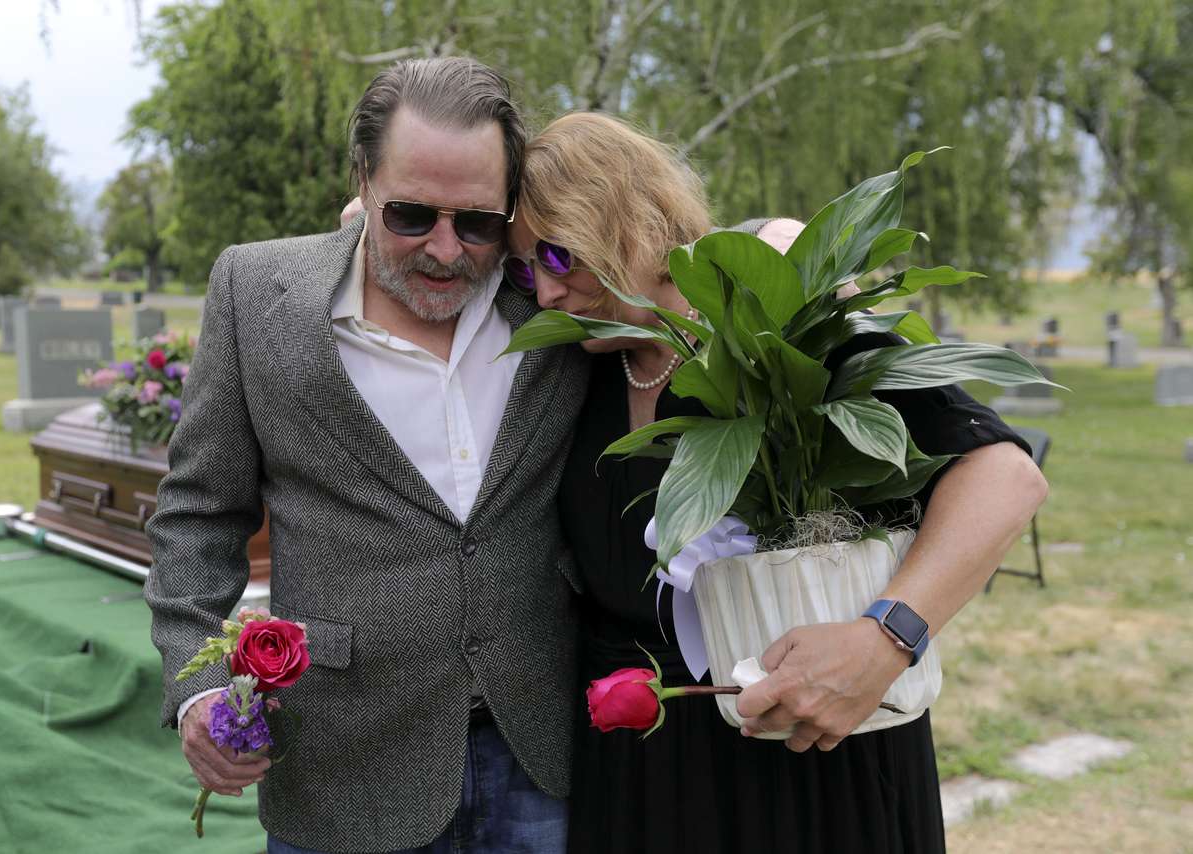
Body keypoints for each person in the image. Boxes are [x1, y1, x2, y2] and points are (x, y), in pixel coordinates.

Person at [506, 112, 1048, 853]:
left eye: (558, 256)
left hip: (814, 758)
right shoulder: (577, 367)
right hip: (640, 772)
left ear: (628, 221)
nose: (541, 293)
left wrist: (887, 637)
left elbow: (1005, 477)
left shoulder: (785, 323)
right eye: (522, 268)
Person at [143, 57, 590, 854]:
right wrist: (199, 687)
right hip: (342, 767)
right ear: (362, 179)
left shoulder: (558, 297)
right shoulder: (255, 291)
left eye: (478, 222)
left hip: (543, 752)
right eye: (412, 215)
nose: (447, 251)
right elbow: (198, 515)